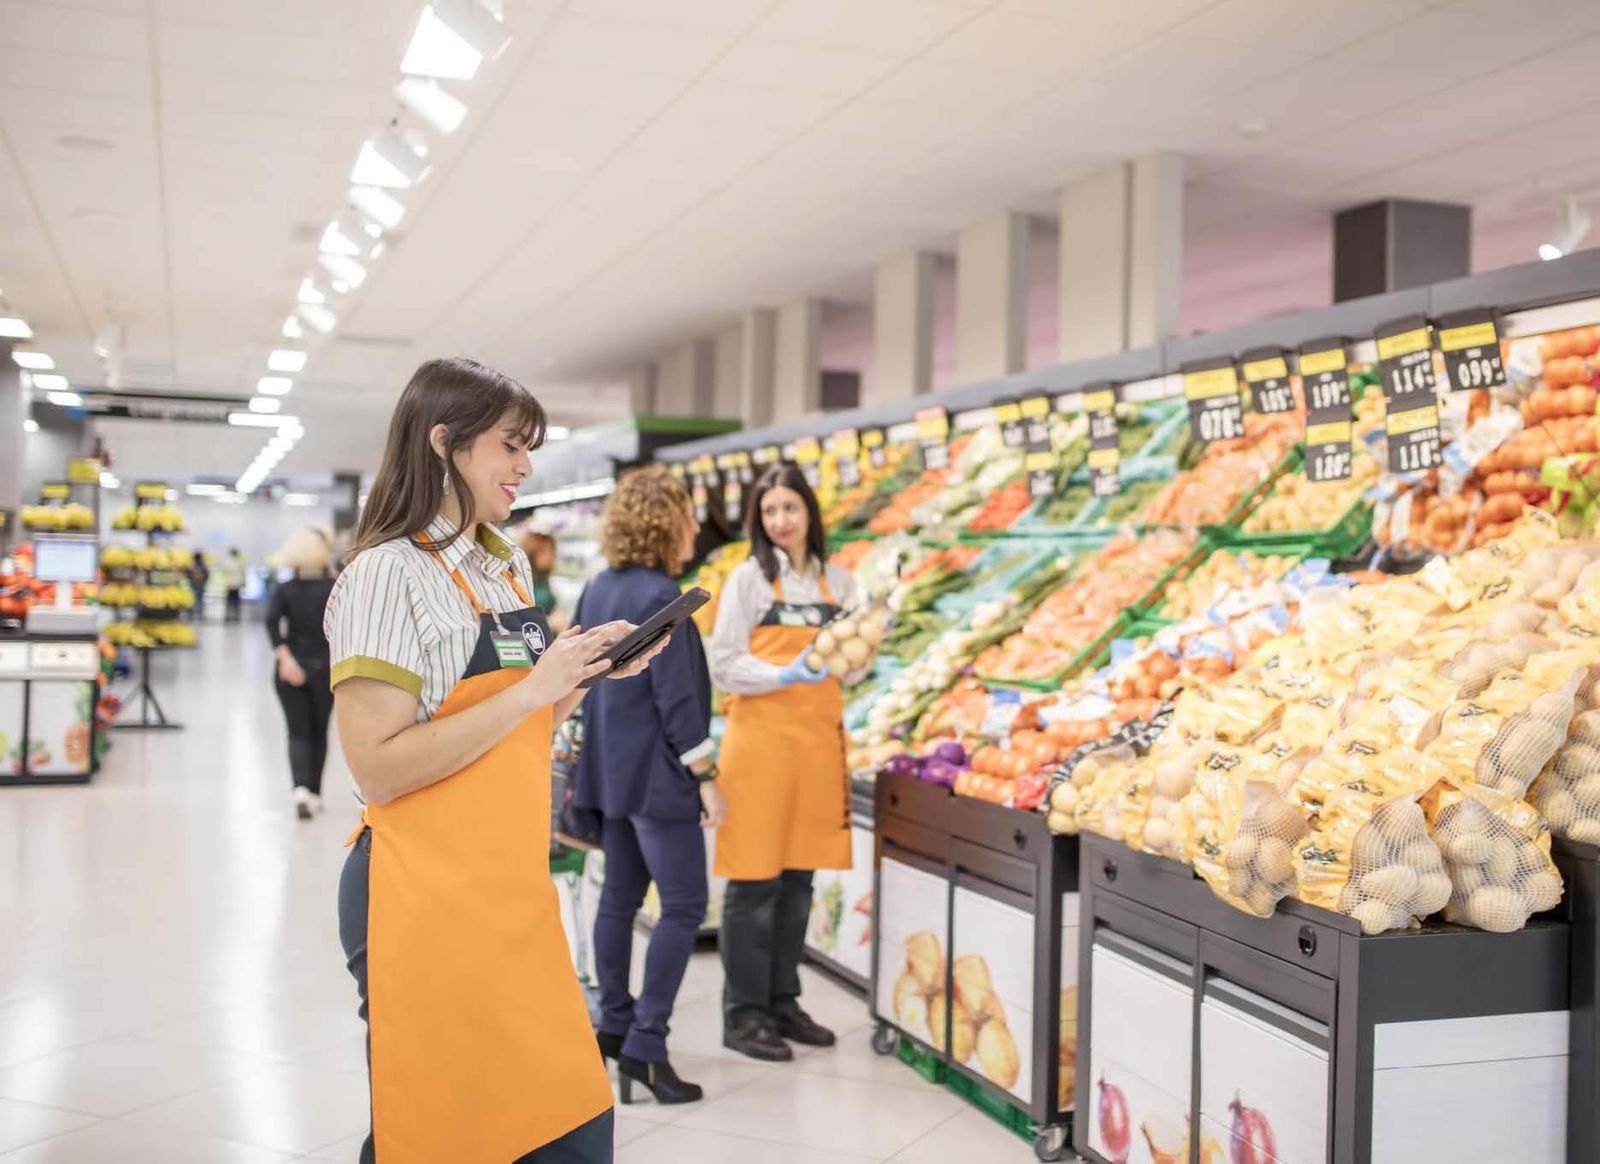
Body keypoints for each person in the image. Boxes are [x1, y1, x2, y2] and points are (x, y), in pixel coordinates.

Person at [326, 357, 667, 1164]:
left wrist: (581, 675)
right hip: (419, 895)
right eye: (512, 447)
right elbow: (377, 768)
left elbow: (523, 722)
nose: (525, 467)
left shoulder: (504, 563)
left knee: (570, 1117)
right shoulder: (383, 576)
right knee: (445, 1128)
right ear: (444, 444)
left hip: (508, 887)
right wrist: (527, 693)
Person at [573, 466, 723, 1105]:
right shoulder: (666, 596)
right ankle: (647, 1044)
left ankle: (611, 1023)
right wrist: (706, 775)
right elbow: (677, 697)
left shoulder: (596, 588)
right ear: (669, 521)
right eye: (687, 513)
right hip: (661, 778)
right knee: (685, 904)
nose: (694, 526)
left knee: (618, 901)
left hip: (609, 771)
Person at [708, 463, 856, 1062]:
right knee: (753, 883)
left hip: (817, 746)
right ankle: (743, 1015)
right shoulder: (747, 582)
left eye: (789, 509)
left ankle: (782, 1002)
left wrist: (866, 644)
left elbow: (855, 664)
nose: (780, 521)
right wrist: (783, 674)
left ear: (809, 514)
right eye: (769, 511)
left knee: (799, 881)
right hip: (759, 745)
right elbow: (723, 662)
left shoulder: (840, 584)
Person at [265, 527, 337, 820]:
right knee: (319, 731)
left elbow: (271, 624)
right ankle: (316, 793)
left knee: (297, 731)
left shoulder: (284, 589)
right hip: (326, 668)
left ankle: (300, 789)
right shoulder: (334, 587)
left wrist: (285, 659)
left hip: (290, 667)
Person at [521, 530, 560, 623]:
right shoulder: (522, 581)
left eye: (551, 550)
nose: (549, 555)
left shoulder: (543, 577)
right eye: (543, 551)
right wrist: (550, 621)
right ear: (531, 553)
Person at [222, 548, 246, 622]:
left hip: (229, 584)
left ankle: (228, 616)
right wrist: (243, 583)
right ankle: (236, 617)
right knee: (236, 602)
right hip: (237, 584)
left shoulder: (228, 562)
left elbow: (225, 571)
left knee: (229, 602)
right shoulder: (240, 562)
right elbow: (243, 573)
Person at [189, 553, 210, 621]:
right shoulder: (203, 566)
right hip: (201, 585)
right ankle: (200, 616)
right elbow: (207, 575)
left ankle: (191, 615)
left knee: (192, 600)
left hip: (193, 584)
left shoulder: (192, 565)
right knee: (200, 600)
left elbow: (189, 575)